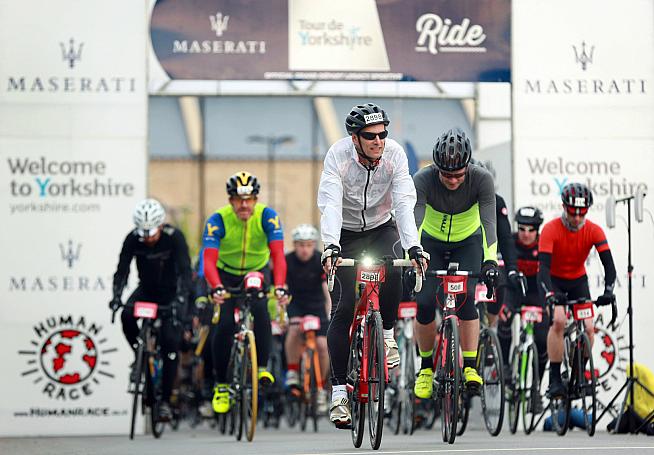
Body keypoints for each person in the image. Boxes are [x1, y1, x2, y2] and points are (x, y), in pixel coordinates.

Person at [317, 102, 428, 427]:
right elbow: (330, 203)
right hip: (345, 234)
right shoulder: (338, 156)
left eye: (382, 134)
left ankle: (388, 333)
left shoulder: (394, 155)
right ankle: (339, 394)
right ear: (355, 138)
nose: (378, 140)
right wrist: (331, 246)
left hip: (381, 228)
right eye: (370, 136)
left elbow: (405, 204)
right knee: (343, 307)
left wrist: (414, 246)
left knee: (395, 265)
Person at [412, 128, 499, 400]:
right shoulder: (423, 179)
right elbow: (413, 222)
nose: (452, 180)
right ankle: (426, 368)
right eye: (446, 174)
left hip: (467, 242)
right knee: (425, 301)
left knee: (466, 301)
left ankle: (471, 367)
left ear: (468, 167)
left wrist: (490, 261)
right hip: (431, 243)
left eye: (458, 175)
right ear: (436, 168)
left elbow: (489, 224)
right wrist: (411, 256)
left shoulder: (482, 180)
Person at [202, 171, 289, 414]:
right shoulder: (217, 220)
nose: (244, 205)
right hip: (226, 273)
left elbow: (278, 256)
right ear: (230, 200)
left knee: (261, 308)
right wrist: (216, 286)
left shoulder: (267, 217)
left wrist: (280, 285)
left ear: (256, 199)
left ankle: (261, 368)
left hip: (256, 271)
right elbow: (208, 260)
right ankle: (221, 386)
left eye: (249, 199)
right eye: (239, 200)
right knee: (225, 324)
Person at [109, 198, 193, 422]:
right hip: (146, 290)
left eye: (151, 233)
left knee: (170, 344)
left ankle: (165, 401)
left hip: (171, 293)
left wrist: (182, 298)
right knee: (126, 315)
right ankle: (139, 351)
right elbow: (122, 269)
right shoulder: (132, 239)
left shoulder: (174, 237)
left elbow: (186, 271)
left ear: (160, 225)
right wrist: (117, 295)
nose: (147, 238)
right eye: (143, 234)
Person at [539, 182, 617, 399]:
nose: (577, 219)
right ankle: (554, 378)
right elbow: (543, 268)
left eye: (582, 214)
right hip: (554, 280)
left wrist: (609, 290)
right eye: (572, 213)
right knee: (559, 321)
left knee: (590, 329)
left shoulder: (594, 230)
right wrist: (549, 294)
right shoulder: (551, 229)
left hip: (577, 281)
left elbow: (609, 266)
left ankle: (578, 374)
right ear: (564, 208)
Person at [284, 224, 331, 413]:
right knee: (294, 330)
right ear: (295, 245)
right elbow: (283, 287)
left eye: (309, 245)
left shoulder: (320, 260)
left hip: (317, 305)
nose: (305, 249)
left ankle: (320, 387)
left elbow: (326, 289)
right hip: (295, 304)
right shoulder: (287, 261)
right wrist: (283, 314)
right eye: (301, 245)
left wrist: (330, 311)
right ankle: (293, 371)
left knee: (322, 345)